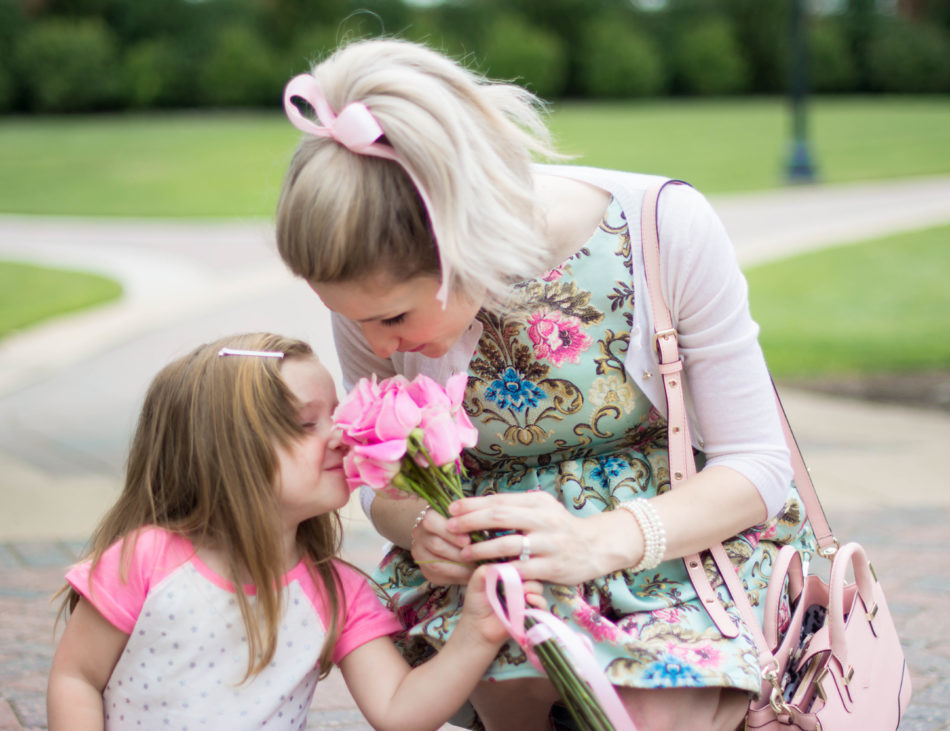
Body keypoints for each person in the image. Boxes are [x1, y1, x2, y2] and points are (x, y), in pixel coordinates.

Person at [275, 38, 816, 731]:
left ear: (463, 240)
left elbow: (759, 464)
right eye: (355, 319)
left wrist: (602, 541)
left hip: (675, 550)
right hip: (506, 582)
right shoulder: (372, 289)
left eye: (393, 316)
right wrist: (423, 526)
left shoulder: (663, 228)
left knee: (651, 710)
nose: (379, 345)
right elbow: (389, 485)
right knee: (519, 691)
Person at [46, 332, 528, 731]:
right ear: (222, 454)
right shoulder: (145, 559)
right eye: (306, 423)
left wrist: (478, 631)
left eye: (335, 415)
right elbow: (77, 678)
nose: (342, 434)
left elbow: (399, 708)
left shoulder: (337, 592)